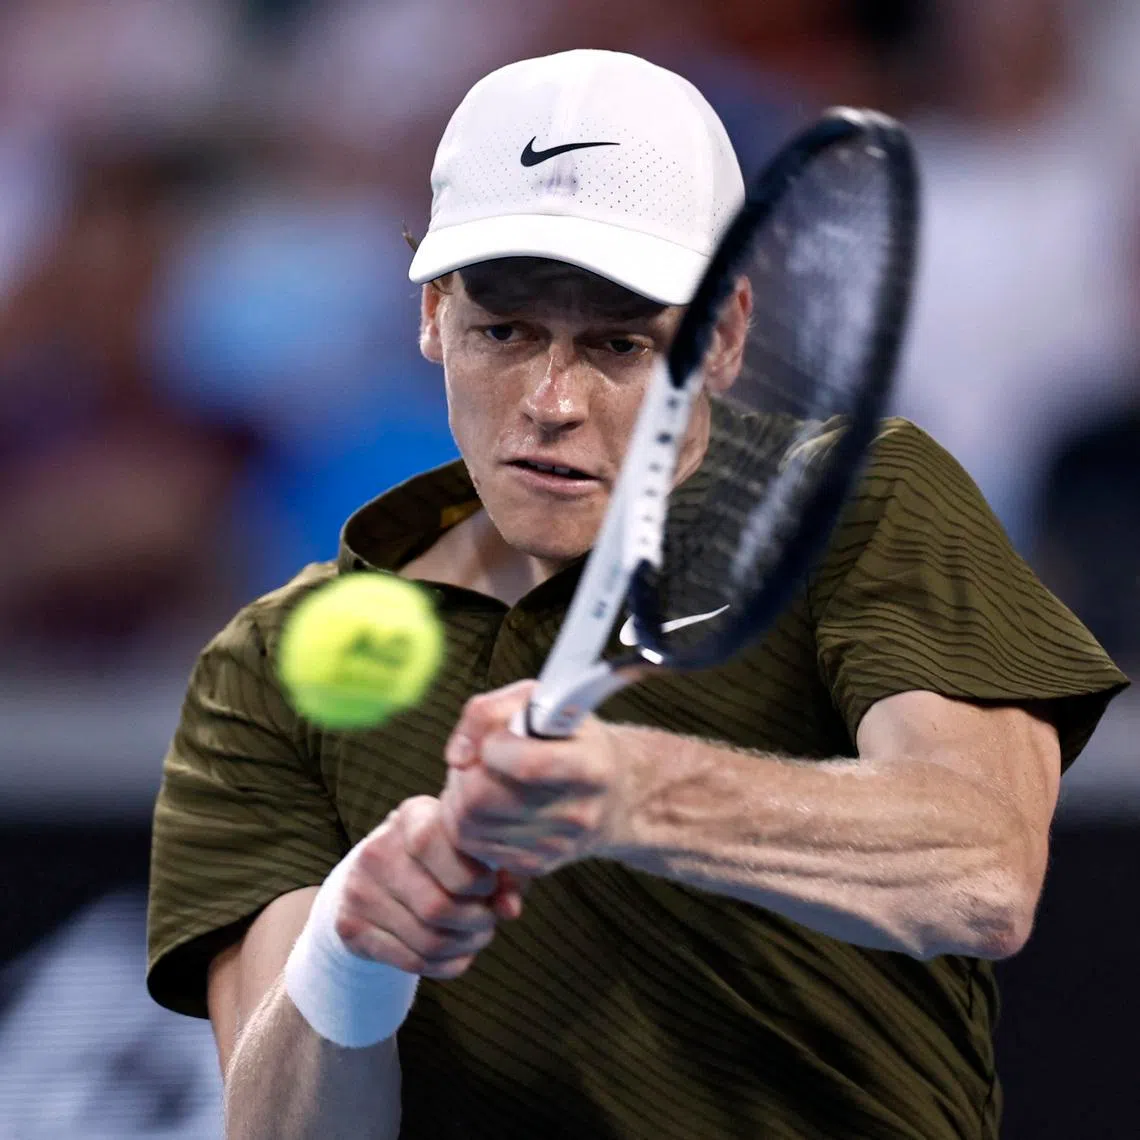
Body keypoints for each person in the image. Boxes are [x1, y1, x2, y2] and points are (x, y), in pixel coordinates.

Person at [146, 50, 1127, 1140]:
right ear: (432, 315)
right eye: (504, 331)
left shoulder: (865, 501)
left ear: (727, 334)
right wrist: (353, 954)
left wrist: (631, 793)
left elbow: (983, 869)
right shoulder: (267, 665)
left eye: (617, 341)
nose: (552, 401)